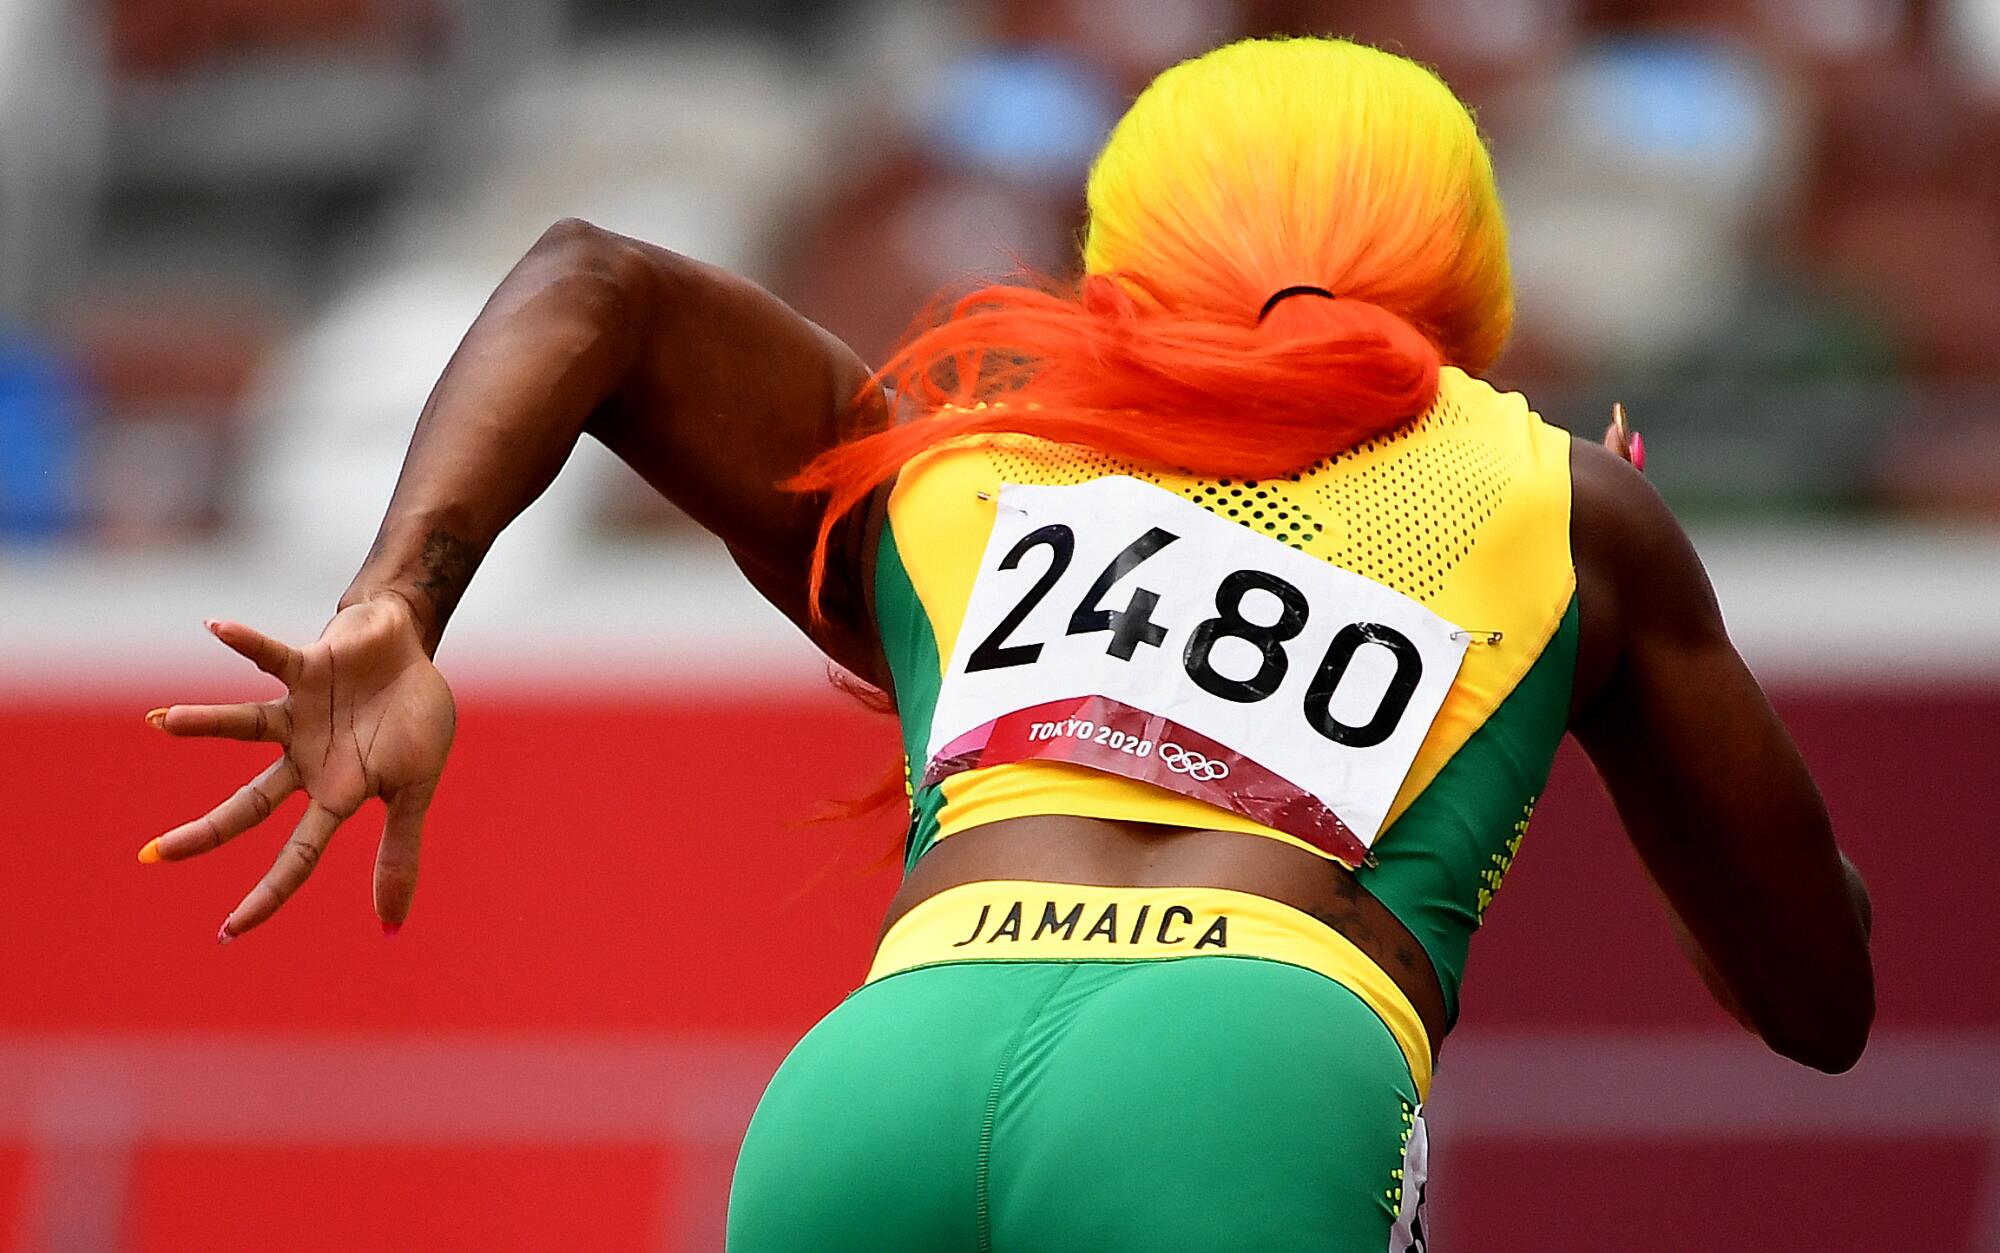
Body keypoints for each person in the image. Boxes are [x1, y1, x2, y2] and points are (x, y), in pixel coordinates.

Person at [139, 37, 1874, 1251]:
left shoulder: (964, 463)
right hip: (1251, 1066)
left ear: (1126, 254)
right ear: (1460, 276)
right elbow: (1816, 993)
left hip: (884, 1071)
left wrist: (401, 594)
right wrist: (1624, 690)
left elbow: (593, 278)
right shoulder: (1556, 500)